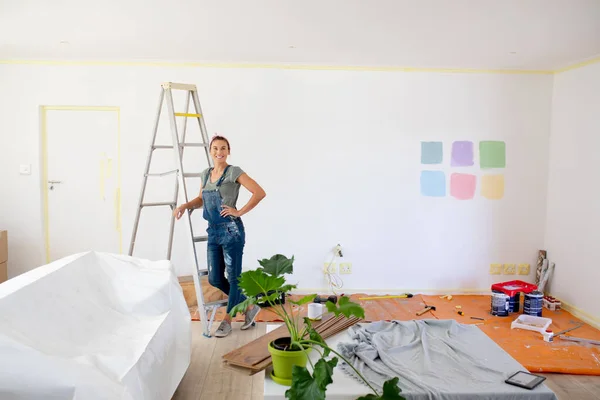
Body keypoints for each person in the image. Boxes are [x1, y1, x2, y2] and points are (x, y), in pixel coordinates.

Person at [174, 135, 266, 337]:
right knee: (215, 278)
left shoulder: (234, 172)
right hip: (213, 231)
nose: (219, 152)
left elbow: (259, 192)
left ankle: (227, 320)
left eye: (223, 148)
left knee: (234, 278)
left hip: (231, 230)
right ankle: (249, 306)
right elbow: (200, 199)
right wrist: (185, 206)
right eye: (215, 148)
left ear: (228, 150)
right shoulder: (206, 174)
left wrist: (239, 211)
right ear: (210, 151)